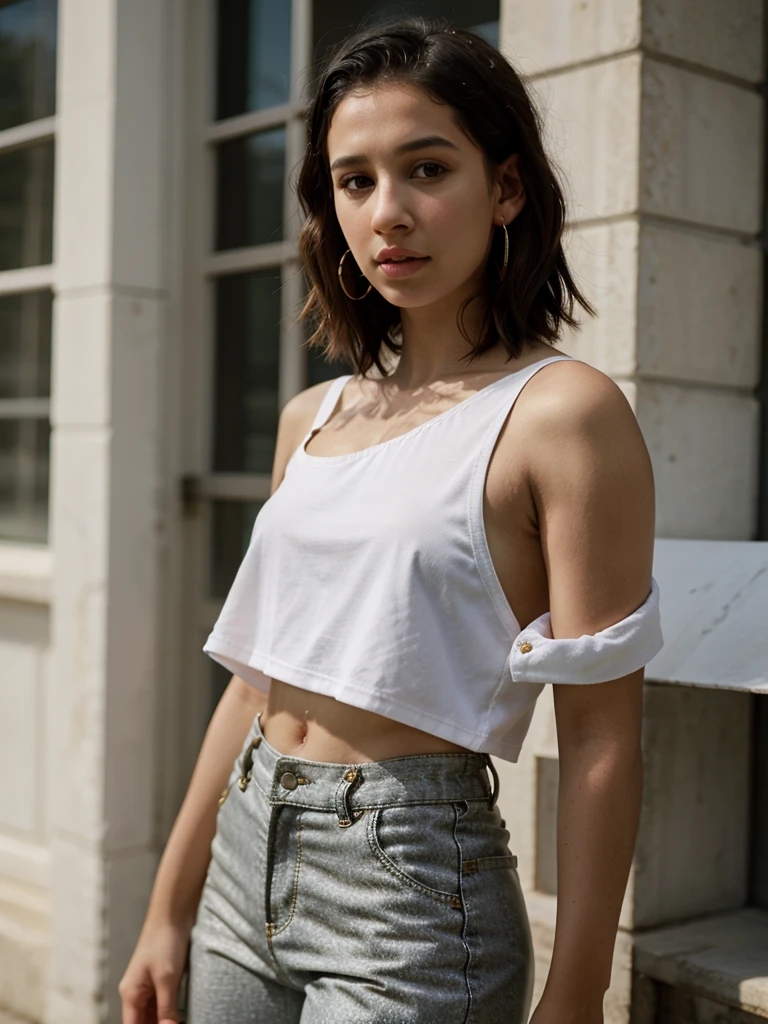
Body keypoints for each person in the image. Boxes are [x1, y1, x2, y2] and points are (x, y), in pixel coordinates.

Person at [119, 15, 663, 1024]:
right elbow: (254, 683)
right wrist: (167, 904)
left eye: (426, 168)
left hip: (407, 890)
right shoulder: (312, 417)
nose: (389, 212)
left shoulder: (562, 414)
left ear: (505, 188)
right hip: (246, 860)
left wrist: (580, 990)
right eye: (355, 180)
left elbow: (600, 736)